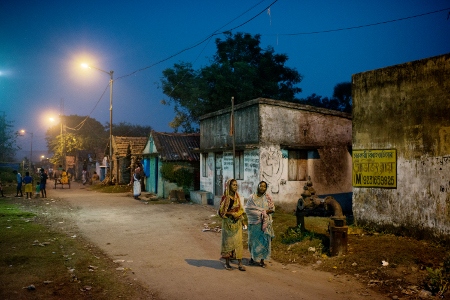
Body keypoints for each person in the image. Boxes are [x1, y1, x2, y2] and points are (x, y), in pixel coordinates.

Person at [244, 181, 275, 268]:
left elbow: (272, 209)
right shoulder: (252, 198)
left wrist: (266, 212)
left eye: (264, 187)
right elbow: (248, 209)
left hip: (264, 225)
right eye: (260, 186)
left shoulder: (268, 198)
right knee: (253, 241)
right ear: (257, 186)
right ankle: (252, 258)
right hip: (254, 225)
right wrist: (260, 214)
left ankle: (262, 260)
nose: (262, 188)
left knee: (264, 241)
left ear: (266, 188)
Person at [218, 179, 246, 271]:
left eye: (236, 185)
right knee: (228, 243)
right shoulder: (226, 198)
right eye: (233, 185)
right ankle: (227, 263)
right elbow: (221, 212)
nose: (235, 186)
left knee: (238, 244)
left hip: (237, 223)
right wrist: (231, 214)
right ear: (229, 186)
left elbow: (240, 209)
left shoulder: (237, 196)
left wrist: (242, 220)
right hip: (228, 224)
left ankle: (240, 263)